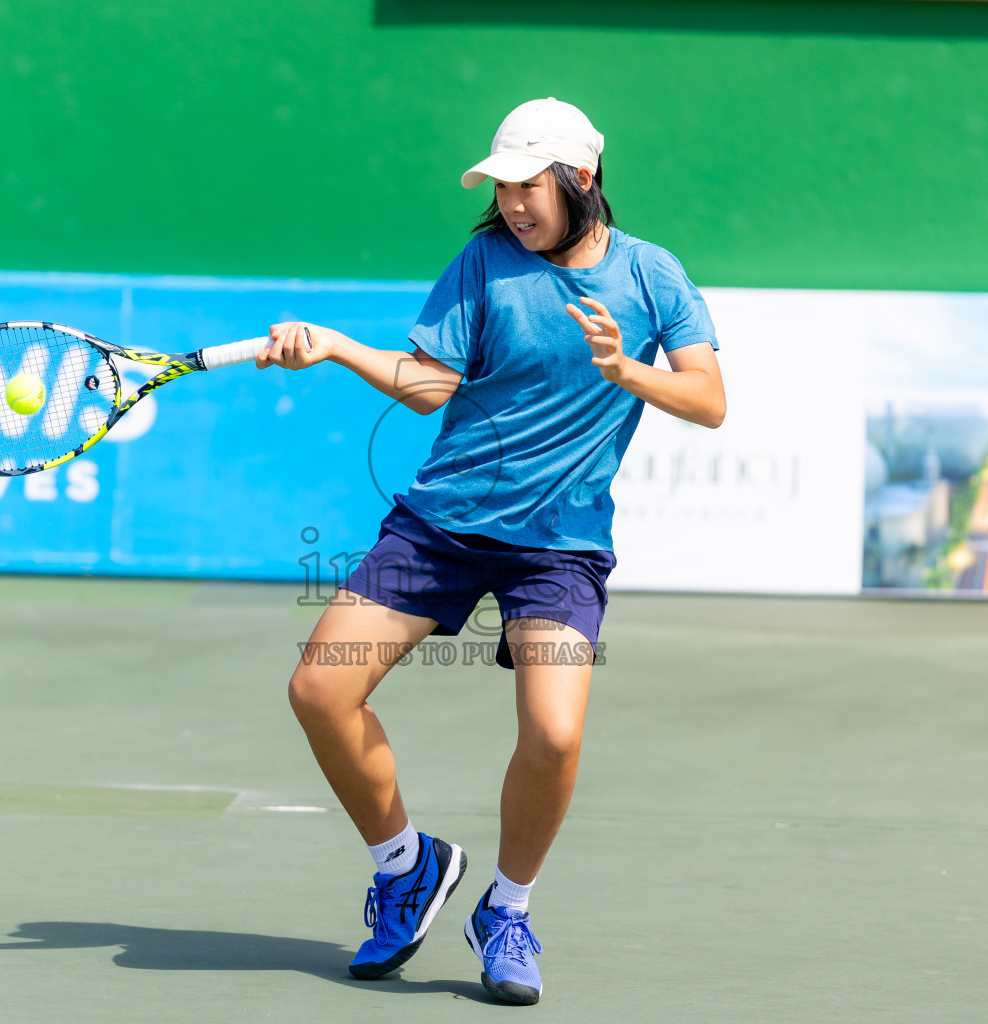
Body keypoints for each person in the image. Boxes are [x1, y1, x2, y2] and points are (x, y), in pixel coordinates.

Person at [258, 97, 726, 1005]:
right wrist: (334, 347)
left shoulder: (652, 275)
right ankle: (405, 867)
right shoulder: (483, 262)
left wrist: (627, 369)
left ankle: (506, 910)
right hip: (443, 524)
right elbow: (430, 386)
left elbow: (708, 400)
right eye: (502, 185)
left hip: (559, 547)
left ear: (581, 180)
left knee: (553, 733)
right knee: (319, 688)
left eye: (528, 184)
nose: (512, 202)